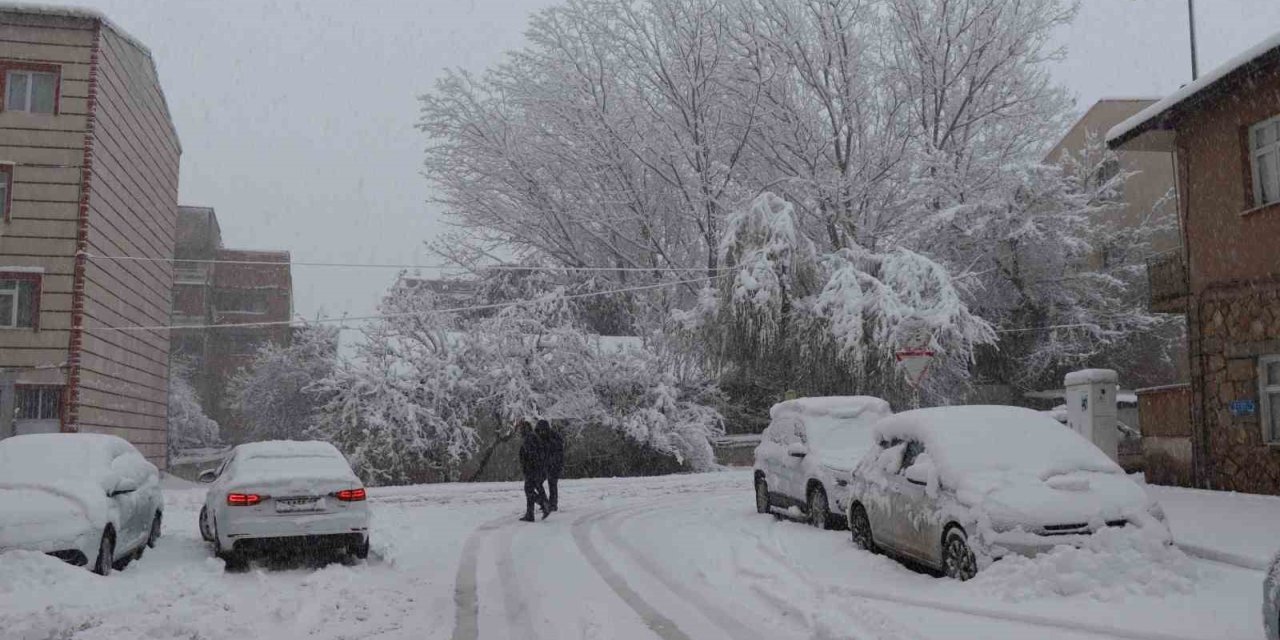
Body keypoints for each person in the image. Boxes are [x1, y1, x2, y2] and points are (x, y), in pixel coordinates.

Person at [517, 420, 550, 522]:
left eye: (521, 429)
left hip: (533, 470)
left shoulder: (529, 438)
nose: (519, 431)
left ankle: (542, 504)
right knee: (532, 489)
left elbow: (531, 455)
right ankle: (532, 512)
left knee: (529, 490)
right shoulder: (533, 437)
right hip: (537, 469)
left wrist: (528, 467)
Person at [536, 419, 564, 512]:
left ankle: (553, 504)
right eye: (540, 430)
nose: (541, 432)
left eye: (543, 430)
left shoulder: (555, 438)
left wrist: (554, 463)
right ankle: (545, 501)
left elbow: (558, 452)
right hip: (544, 465)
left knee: (552, 484)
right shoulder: (539, 437)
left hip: (554, 465)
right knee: (538, 482)